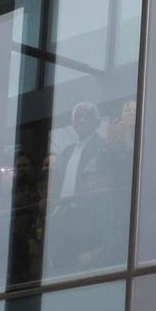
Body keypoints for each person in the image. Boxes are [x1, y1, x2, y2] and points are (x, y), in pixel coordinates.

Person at [49, 102, 115, 269]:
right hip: (64, 213)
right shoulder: (68, 151)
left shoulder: (103, 147)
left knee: (83, 260)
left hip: (89, 212)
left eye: (87, 116)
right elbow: (57, 182)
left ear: (97, 122)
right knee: (61, 260)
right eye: (78, 117)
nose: (82, 120)